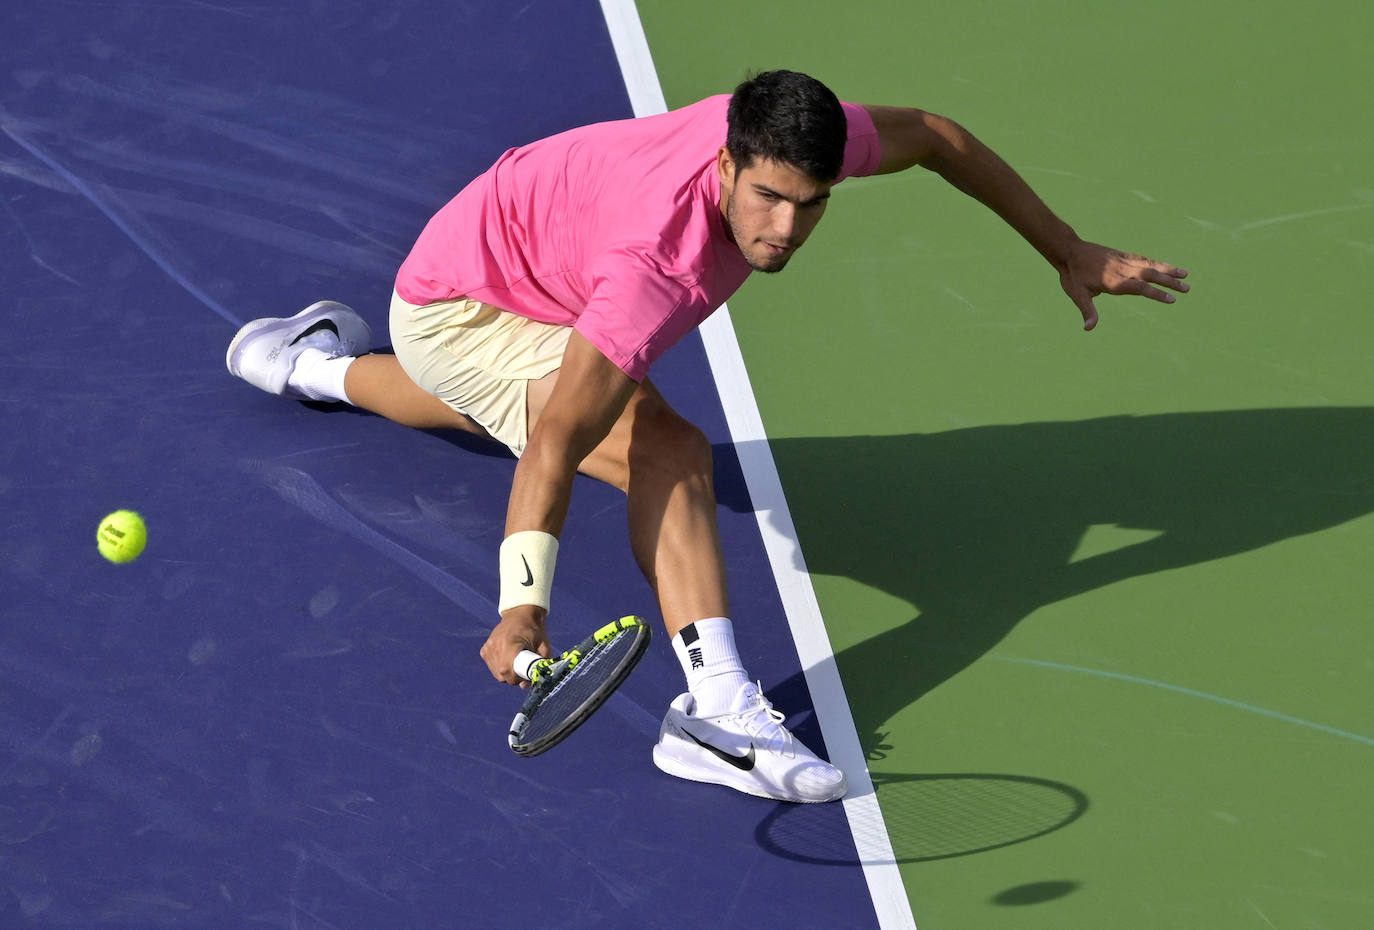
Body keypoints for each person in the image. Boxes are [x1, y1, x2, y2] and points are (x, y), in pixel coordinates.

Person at [226, 70, 1188, 804]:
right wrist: (523, 605)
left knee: (488, 396)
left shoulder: (801, 136)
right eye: (768, 198)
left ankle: (306, 363)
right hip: (463, 302)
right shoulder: (658, 267)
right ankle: (715, 718)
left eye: (811, 204)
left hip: (504, 251)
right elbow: (557, 437)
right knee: (668, 450)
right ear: (726, 164)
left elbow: (938, 136)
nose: (787, 229)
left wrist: (1070, 249)